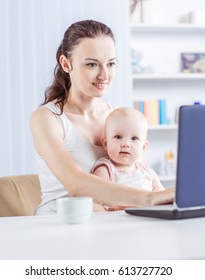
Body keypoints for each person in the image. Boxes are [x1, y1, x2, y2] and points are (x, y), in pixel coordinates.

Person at [30, 19, 174, 215]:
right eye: (92, 64)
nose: (104, 75)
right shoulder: (47, 118)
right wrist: (148, 199)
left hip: (108, 224)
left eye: (111, 64)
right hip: (60, 224)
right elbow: (76, 184)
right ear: (66, 64)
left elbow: (136, 173)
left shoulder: (118, 117)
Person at [92, 107, 165, 206]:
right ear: (105, 143)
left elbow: (161, 196)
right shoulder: (105, 170)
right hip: (119, 219)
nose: (126, 144)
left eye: (134, 138)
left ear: (143, 147)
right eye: (118, 137)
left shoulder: (146, 170)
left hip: (148, 218)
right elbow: (96, 203)